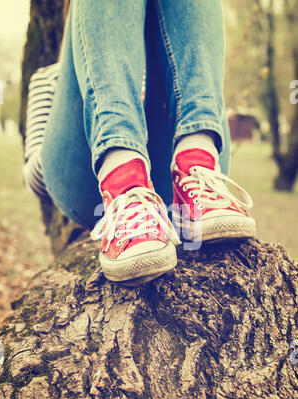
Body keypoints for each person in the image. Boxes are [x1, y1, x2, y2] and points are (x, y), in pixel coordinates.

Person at [23, 0, 256, 286]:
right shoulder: (49, 79)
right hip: (87, 186)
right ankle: (122, 181)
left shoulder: (172, 63)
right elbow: (35, 180)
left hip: (172, 182)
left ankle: (197, 164)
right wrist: (90, 102)